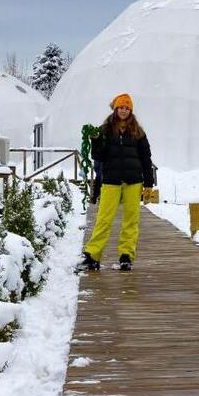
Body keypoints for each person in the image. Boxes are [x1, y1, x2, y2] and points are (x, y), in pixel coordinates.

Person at [80, 93, 155, 272]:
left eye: (127, 108)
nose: (124, 110)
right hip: (111, 180)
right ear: (115, 109)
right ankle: (93, 256)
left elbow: (146, 158)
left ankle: (126, 256)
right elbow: (98, 157)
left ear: (131, 110)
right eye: (121, 107)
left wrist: (148, 183)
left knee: (131, 220)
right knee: (104, 219)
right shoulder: (104, 130)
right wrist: (96, 141)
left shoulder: (138, 132)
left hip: (133, 181)